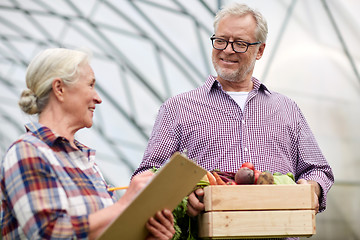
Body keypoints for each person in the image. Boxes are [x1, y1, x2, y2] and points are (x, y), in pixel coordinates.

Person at [133, 1, 334, 230]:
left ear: (260, 50)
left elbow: (318, 169)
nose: (227, 50)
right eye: (220, 40)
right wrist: (183, 197)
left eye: (239, 43)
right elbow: (145, 177)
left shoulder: (287, 109)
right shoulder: (177, 109)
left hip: (281, 231)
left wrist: (311, 188)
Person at [0, 48, 175, 240]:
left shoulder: (87, 164)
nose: (98, 98)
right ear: (59, 89)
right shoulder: (27, 152)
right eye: (90, 85)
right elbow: (49, 233)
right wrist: (123, 205)